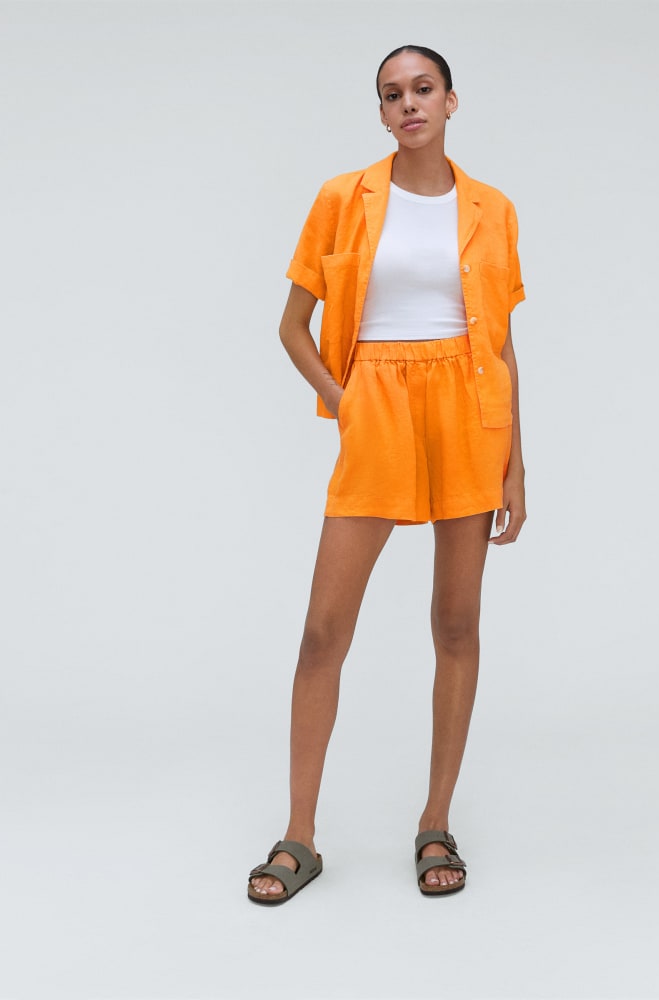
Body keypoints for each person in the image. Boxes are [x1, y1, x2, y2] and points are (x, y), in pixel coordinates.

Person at [247, 44, 526, 904]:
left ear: (450, 101)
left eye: (423, 89)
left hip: (468, 414)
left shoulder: (492, 208)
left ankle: (435, 823)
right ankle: (299, 836)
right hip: (378, 409)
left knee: (457, 624)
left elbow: (501, 343)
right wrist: (346, 398)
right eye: (392, 94)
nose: (409, 104)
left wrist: (516, 464)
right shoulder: (344, 198)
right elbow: (292, 325)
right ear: (380, 113)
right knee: (322, 633)